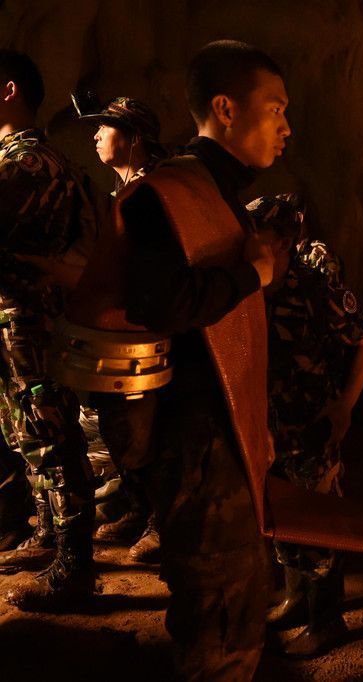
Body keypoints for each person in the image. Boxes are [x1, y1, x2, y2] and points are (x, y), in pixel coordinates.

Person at [116, 40, 288, 679]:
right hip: (195, 443)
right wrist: (252, 275)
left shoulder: (216, 192)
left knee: (239, 593)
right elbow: (159, 301)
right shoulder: (172, 192)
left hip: (222, 434)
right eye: (275, 109)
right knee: (218, 608)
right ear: (225, 108)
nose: (287, 127)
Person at [249, 194, 363, 658]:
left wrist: (345, 406)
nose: (246, 243)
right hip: (269, 429)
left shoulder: (316, 288)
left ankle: (327, 620)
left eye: (257, 236)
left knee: (320, 527)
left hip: (313, 428)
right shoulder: (248, 288)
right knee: (283, 520)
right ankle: (296, 600)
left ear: (283, 243)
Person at [0, 49, 100, 610]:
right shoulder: (24, 159)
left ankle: (74, 566)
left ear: (9, 90)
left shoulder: (28, 164)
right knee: (26, 431)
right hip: (19, 319)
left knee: (49, 435)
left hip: (30, 322)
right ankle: (48, 534)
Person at [77, 95, 166, 562]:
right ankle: (137, 506)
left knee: (151, 430)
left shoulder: (154, 194)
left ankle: (162, 521)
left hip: (151, 334)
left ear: (133, 138)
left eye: (105, 128)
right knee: (122, 428)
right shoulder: (126, 191)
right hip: (123, 332)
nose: (95, 136)